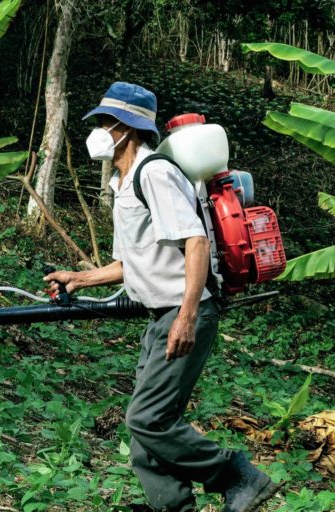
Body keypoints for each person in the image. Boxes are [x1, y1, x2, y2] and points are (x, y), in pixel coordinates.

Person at [44, 82, 279, 512]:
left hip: (184, 311)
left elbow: (196, 243)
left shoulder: (154, 173)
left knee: (147, 419)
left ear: (128, 129)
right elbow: (133, 261)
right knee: (143, 434)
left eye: (105, 122)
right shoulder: (125, 182)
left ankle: (238, 475)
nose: (98, 130)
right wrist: (80, 277)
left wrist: (186, 317)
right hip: (160, 315)